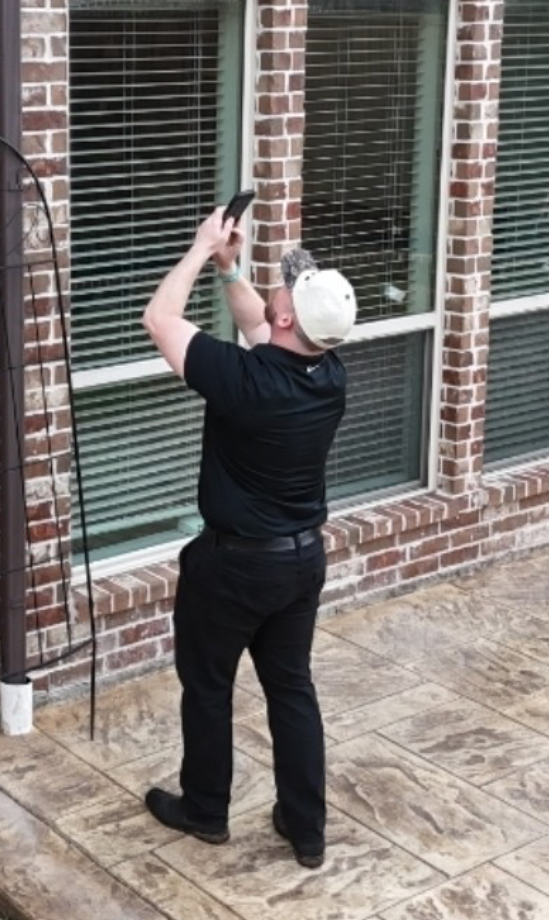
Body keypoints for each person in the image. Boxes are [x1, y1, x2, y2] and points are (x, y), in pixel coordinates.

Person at [138, 205, 357, 870]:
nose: (279, 292)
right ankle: (305, 827)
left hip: (233, 567)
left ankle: (205, 810)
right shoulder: (328, 373)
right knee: (291, 687)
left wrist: (200, 248)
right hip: (300, 561)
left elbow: (159, 319)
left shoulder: (246, 381)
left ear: (290, 319)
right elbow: (261, 326)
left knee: (208, 685)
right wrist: (231, 270)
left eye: (286, 292)